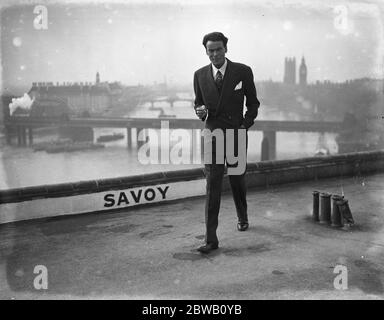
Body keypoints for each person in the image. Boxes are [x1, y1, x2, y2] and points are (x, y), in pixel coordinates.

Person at [193, 32, 260, 253]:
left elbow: (253, 104)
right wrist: (200, 112)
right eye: (210, 50)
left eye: (218, 49)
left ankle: (242, 216)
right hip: (212, 136)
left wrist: (244, 126)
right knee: (212, 185)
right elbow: (199, 106)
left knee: (237, 180)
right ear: (206, 52)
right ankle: (211, 240)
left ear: (226, 49)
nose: (214, 54)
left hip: (236, 134)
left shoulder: (242, 71)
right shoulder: (199, 75)